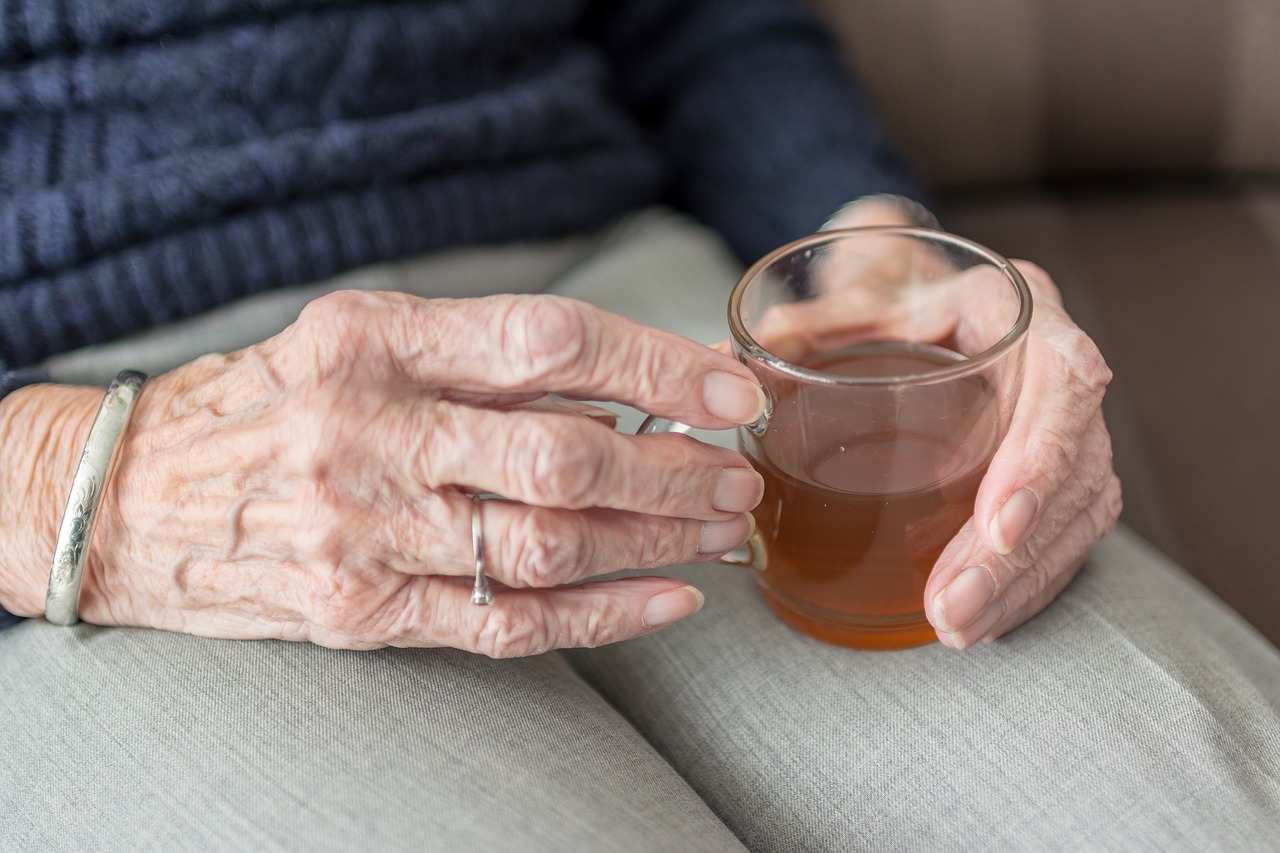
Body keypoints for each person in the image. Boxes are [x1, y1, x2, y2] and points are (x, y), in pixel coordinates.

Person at [0, 1, 1275, 850]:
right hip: (111, 434)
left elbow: (693, 20)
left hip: (627, 290)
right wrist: (76, 484)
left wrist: (864, 256)